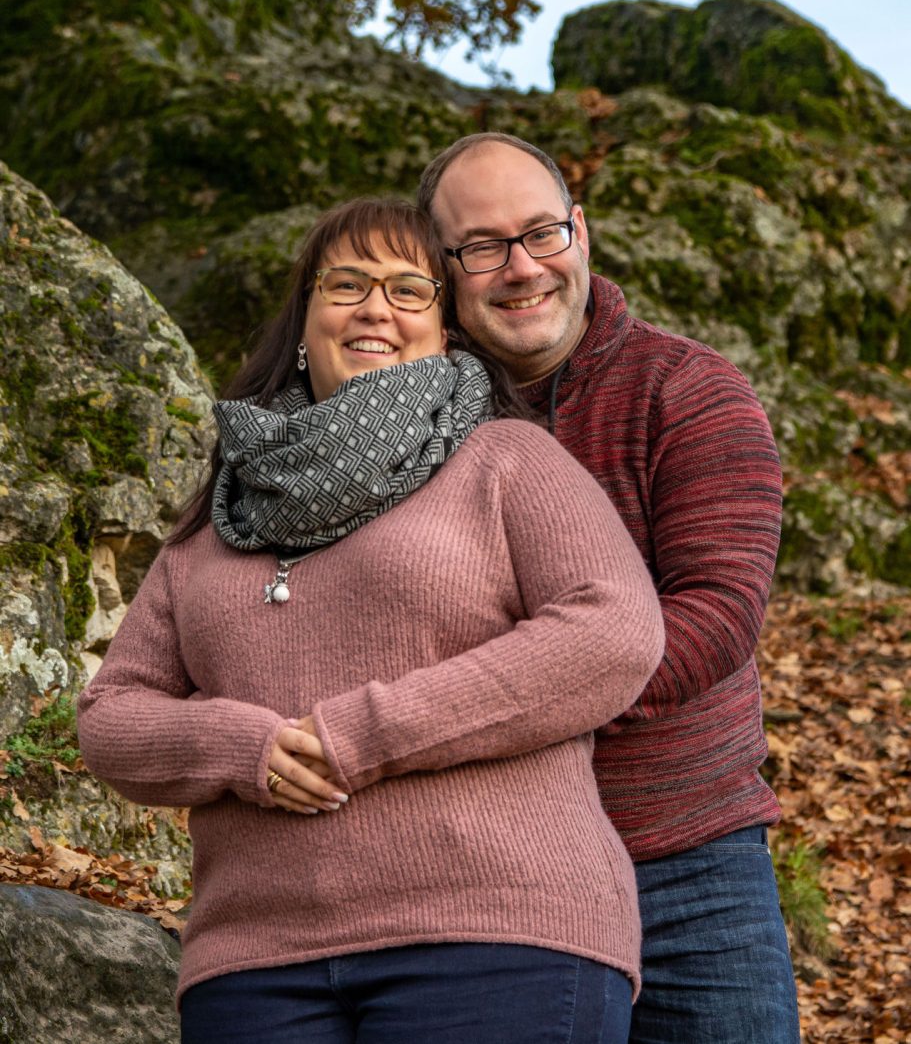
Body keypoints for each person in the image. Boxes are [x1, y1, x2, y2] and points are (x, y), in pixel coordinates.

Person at [77, 197, 666, 1044]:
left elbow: (611, 632)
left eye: (406, 289)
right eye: (346, 283)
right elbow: (112, 717)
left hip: (497, 936)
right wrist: (244, 748)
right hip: (253, 963)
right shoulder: (220, 514)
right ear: (305, 315)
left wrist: (365, 732)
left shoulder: (506, 460)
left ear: (447, 328)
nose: (374, 308)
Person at [417, 134, 802, 1043]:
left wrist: (486, 703)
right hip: (490, 869)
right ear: (442, 270)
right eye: (481, 247)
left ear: (579, 234)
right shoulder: (407, 421)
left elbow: (713, 617)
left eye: (540, 233)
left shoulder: (688, 390)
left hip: (689, 867)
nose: (520, 269)